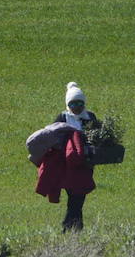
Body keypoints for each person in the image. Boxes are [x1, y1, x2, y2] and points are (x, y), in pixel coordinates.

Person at [32, 83, 98, 232]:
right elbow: (51, 136)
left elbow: (98, 137)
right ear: (68, 104)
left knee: (78, 197)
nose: (77, 107)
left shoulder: (90, 117)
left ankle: (72, 228)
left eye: (80, 103)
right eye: (73, 103)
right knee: (75, 196)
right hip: (67, 165)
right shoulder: (63, 117)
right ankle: (72, 227)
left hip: (85, 165)